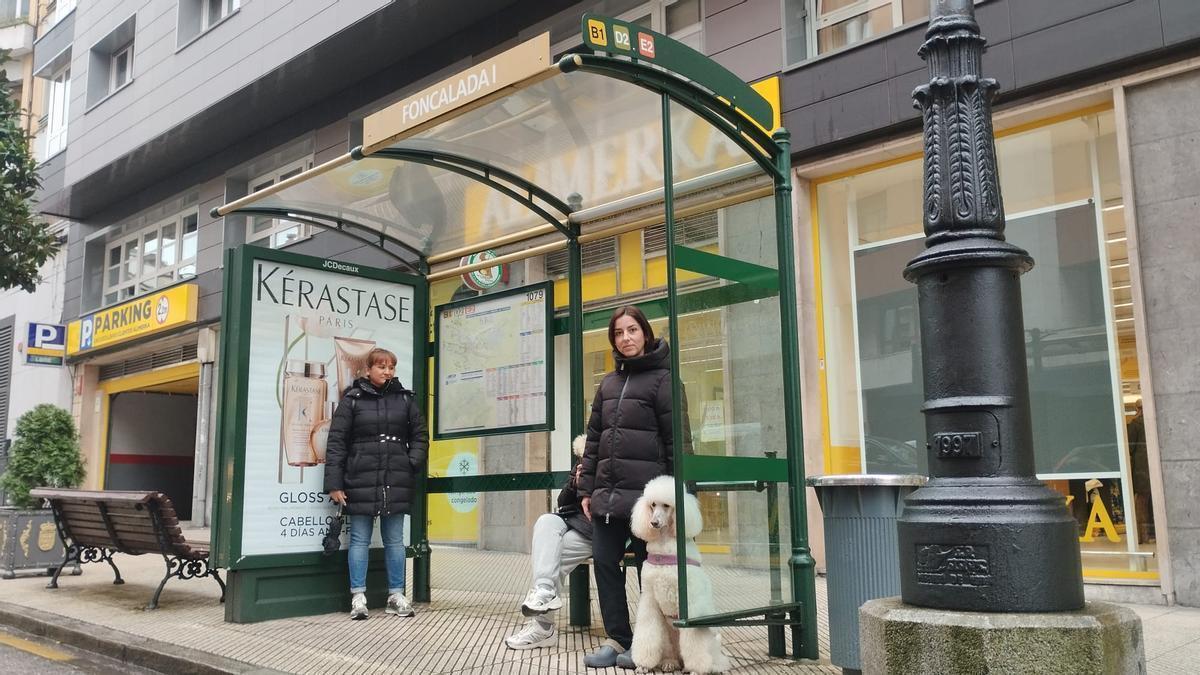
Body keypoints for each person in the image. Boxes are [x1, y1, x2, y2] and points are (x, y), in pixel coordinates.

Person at [578, 305, 690, 669]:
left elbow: (679, 442)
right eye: (618, 333)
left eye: (632, 330)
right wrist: (585, 490)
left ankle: (650, 646)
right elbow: (593, 441)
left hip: (649, 501)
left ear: (645, 333)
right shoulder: (608, 383)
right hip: (608, 498)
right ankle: (617, 639)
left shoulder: (664, 380)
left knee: (649, 573)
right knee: (606, 565)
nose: (625, 338)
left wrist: (680, 497)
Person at [324, 347, 428, 620]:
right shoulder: (353, 400)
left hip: (396, 478)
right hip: (360, 477)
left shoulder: (406, 400)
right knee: (359, 539)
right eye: (381, 367)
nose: (387, 371)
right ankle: (358, 596)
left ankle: (396, 594)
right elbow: (336, 443)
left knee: (395, 539)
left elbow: (419, 435)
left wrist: (411, 462)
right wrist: (335, 483)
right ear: (367, 369)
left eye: (391, 367)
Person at [504, 435, 593, 650]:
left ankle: (543, 629)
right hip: (572, 520)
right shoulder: (584, 457)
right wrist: (575, 483)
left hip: (596, 529)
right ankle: (544, 591)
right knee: (545, 521)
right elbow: (562, 501)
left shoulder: (613, 460)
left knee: (552, 558)